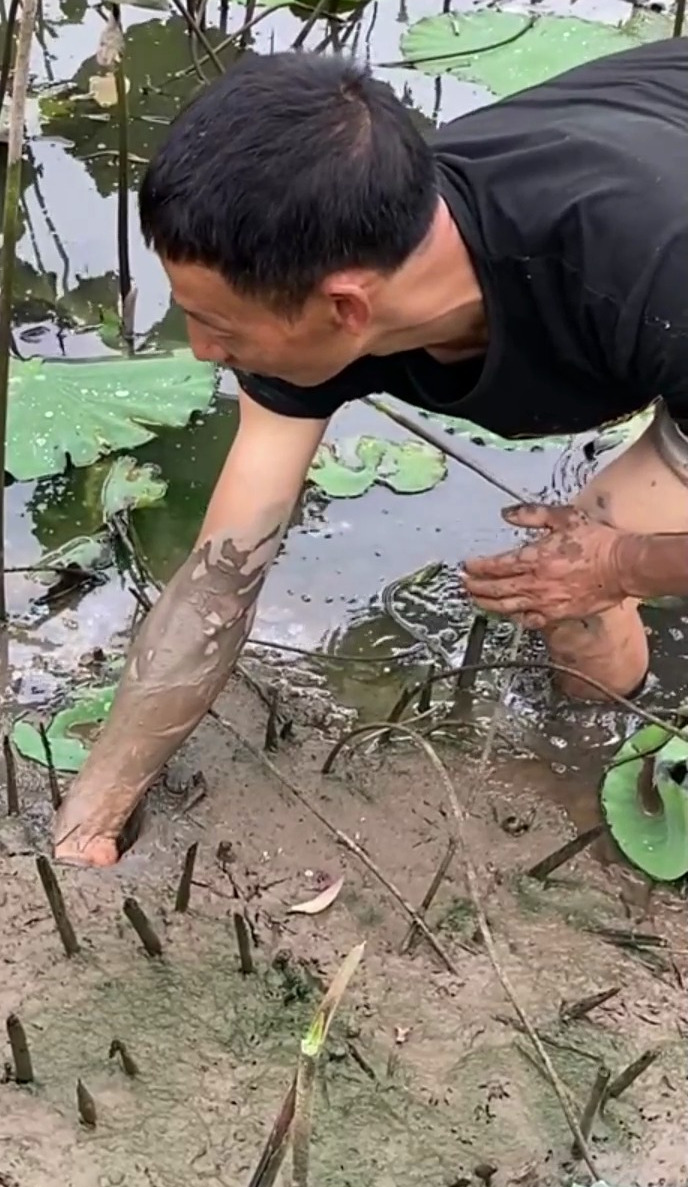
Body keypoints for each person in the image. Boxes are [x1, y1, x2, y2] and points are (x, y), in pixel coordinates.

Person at [52, 39, 688, 869]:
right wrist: (94, 815)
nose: (203, 350)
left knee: (591, 561)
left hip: (659, 264)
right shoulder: (335, 253)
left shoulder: (643, 276)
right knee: (564, 580)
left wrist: (623, 564)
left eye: (221, 328)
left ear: (345, 307)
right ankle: (597, 746)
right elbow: (216, 582)